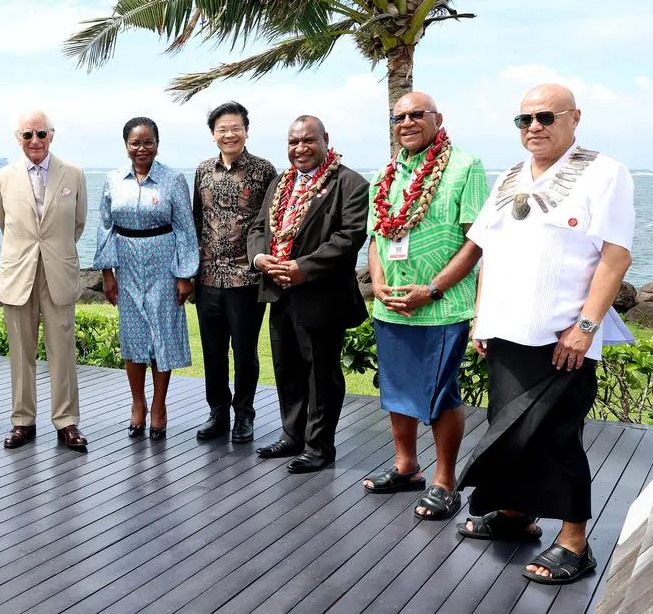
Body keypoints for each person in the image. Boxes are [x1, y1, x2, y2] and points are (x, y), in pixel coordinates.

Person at [457, 84, 634, 585]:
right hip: (506, 331)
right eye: (525, 119)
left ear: (574, 118)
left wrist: (586, 326)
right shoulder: (510, 176)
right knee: (509, 426)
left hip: (563, 337)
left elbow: (616, 255)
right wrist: (482, 318)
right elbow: (490, 252)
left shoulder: (606, 173)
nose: (534, 126)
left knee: (557, 436)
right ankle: (516, 514)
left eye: (545, 117)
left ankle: (575, 542)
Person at [360, 93, 487, 521]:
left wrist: (432, 289)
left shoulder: (465, 166)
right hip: (392, 306)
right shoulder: (385, 174)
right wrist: (378, 283)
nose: (407, 122)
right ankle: (406, 467)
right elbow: (376, 239)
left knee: (440, 391)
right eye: (399, 117)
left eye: (417, 114)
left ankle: (445, 481)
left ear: (438, 118)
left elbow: (476, 240)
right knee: (397, 388)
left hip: (441, 306)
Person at [247, 116, 369, 473]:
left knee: (321, 374)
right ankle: (292, 435)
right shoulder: (280, 183)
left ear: (325, 139)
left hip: (321, 297)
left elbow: (348, 239)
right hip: (279, 292)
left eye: (308, 140)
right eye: (293, 142)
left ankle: (320, 446)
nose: (300, 148)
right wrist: (260, 258)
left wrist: (303, 267)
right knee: (287, 368)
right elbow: (258, 227)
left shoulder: (350, 184)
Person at [94, 117, 199, 439]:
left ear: (157, 143)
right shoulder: (113, 180)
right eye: (135, 143)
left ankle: (159, 406)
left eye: (148, 142)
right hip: (126, 266)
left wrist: (184, 275)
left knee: (162, 335)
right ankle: (137, 403)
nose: (142, 148)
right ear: (126, 145)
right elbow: (105, 227)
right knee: (134, 336)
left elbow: (185, 228)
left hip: (163, 265)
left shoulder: (173, 180)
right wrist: (107, 274)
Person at [0, 110, 89, 452]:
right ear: (18, 138)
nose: (35, 141)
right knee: (21, 352)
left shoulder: (74, 174)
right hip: (20, 273)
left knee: (63, 350)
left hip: (58, 272)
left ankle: (67, 421)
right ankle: (22, 421)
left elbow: (78, 224)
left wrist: (53, 252)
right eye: (28, 134)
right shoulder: (2, 179)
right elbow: (3, 221)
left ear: (52, 135)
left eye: (41, 134)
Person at [192, 102, 277, 444]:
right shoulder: (202, 170)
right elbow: (196, 220)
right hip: (208, 277)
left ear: (246, 131)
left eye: (236, 128)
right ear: (213, 135)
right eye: (222, 129)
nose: (229, 134)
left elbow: (272, 222)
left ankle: (244, 414)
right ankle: (217, 413)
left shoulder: (264, 170)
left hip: (247, 278)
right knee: (212, 351)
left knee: (244, 351)